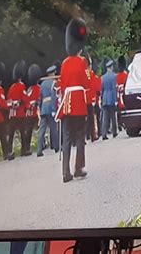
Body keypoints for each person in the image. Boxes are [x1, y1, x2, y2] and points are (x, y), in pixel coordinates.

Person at [56, 18, 90, 183]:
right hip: (78, 103)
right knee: (80, 137)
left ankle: (65, 172)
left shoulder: (64, 63)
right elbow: (86, 83)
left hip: (67, 103)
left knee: (67, 138)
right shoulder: (81, 62)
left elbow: (62, 84)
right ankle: (78, 168)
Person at [7, 60, 28, 157]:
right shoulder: (21, 85)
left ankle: (9, 151)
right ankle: (24, 150)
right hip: (19, 112)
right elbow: (24, 99)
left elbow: (9, 100)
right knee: (23, 132)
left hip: (12, 113)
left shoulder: (12, 87)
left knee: (11, 134)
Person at [37, 64, 59, 157]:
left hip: (43, 108)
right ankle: (56, 146)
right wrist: (54, 109)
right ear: (53, 73)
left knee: (42, 130)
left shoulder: (42, 84)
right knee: (54, 128)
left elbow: (40, 98)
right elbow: (54, 97)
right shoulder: (54, 83)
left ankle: (39, 150)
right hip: (50, 107)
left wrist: (40, 108)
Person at [23, 64, 42, 156]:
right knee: (40, 129)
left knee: (29, 131)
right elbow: (39, 99)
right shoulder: (38, 88)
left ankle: (26, 148)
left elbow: (26, 99)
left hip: (29, 112)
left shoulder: (29, 89)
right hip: (35, 111)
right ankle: (41, 144)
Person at [101, 59, 118, 139]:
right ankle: (114, 132)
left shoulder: (103, 77)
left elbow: (102, 90)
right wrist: (115, 100)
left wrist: (102, 99)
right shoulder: (114, 76)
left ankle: (104, 133)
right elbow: (114, 89)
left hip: (105, 98)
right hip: (111, 98)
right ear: (111, 67)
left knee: (105, 118)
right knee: (112, 116)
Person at [116, 55, 128, 132]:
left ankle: (120, 123)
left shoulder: (117, 76)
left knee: (119, 109)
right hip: (123, 93)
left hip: (118, 94)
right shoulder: (126, 75)